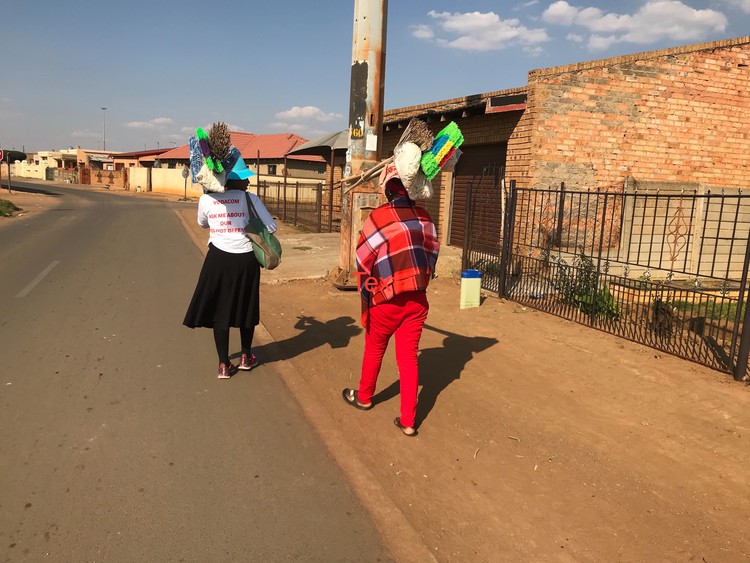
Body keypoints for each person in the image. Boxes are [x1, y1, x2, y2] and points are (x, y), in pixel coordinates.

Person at [341, 164, 440, 436]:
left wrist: (370, 289)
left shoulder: (379, 217)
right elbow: (432, 255)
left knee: (375, 348)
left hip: (386, 298)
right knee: (408, 359)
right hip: (417, 300)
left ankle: (364, 397)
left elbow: (362, 259)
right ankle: (408, 421)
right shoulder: (425, 218)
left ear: (387, 190)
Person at [183, 155, 277, 379]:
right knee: (246, 307)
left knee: (220, 312)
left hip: (218, 260)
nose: (248, 182)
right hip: (246, 260)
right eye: (245, 178)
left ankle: (224, 365)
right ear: (234, 180)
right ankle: (246, 356)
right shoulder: (250, 199)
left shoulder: (206, 200)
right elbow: (271, 228)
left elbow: (202, 223)